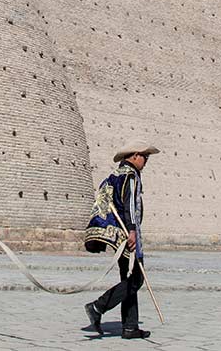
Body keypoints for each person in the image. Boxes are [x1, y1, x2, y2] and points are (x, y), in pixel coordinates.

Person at [83, 140, 159, 340]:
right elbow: (129, 205)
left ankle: (130, 327)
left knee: (128, 278)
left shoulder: (115, 176)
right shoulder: (130, 176)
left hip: (118, 235)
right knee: (136, 278)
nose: (146, 161)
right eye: (145, 156)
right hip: (128, 234)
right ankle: (98, 307)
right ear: (134, 156)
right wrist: (133, 231)